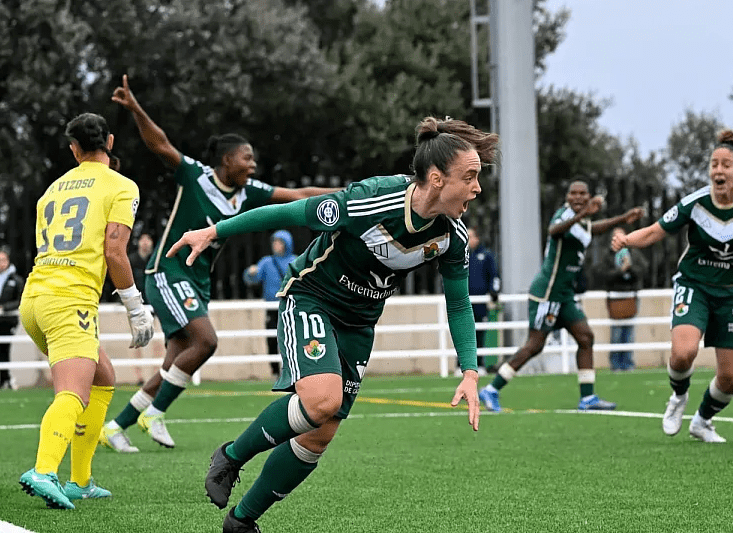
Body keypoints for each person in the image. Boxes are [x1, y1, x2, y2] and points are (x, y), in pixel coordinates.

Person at [167, 116, 493, 533]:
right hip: (311, 298)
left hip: (359, 325)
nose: (477, 188)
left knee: (320, 435)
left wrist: (468, 370)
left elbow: (459, 304)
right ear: (436, 178)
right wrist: (214, 231)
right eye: (470, 177)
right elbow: (289, 211)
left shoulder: (452, 237)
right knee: (321, 401)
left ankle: (242, 522)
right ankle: (231, 455)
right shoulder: (370, 200)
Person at [99, 75, 336, 453]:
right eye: (247, 157)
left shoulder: (247, 193)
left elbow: (301, 195)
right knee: (206, 341)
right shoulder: (195, 176)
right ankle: (155, 413)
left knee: (177, 359)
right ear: (227, 160)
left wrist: (353, 194)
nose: (253, 164)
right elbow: (160, 143)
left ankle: (116, 425)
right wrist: (135, 107)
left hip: (197, 282)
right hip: (168, 271)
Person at [612, 129, 733, 443]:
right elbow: (657, 230)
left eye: (726, 165)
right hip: (695, 286)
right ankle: (678, 397)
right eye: (714, 164)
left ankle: (702, 420)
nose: (718, 170)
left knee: (730, 379)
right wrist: (626, 240)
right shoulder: (696, 203)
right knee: (683, 353)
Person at [17, 112, 153, 509]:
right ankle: (44, 470)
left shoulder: (52, 189)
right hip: (69, 301)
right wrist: (135, 306)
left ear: (74, 149)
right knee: (73, 393)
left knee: (103, 376)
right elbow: (114, 250)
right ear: (109, 141)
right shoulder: (121, 185)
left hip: (35, 300)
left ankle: (80, 481)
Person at [478, 181, 644, 412]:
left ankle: (587, 398)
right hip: (547, 293)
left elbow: (595, 229)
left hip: (564, 294)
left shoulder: (582, 221)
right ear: (567, 197)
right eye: (573, 193)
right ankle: (491, 390)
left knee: (585, 338)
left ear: (588, 196)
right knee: (534, 346)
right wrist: (584, 213)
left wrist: (623, 218)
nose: (577, 197)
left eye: (582, 194)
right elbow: (554, 230)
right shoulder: (564, 215)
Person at [242, 230, 296, 377]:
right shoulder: (266, 262)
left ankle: (292, 368)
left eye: (279, 242)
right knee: (272, 339)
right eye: (274, 242)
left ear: (287, 244)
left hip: (291, 307)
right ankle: (275, 371)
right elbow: (251, 279)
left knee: (291, 339)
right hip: (271, 308)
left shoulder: (295, 261)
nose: (276, 245)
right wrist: (250, 272)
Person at [605, 228, 647, 372]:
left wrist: (630, 268)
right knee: (616, 334)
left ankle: (628, 363)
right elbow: (601, 274)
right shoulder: (608, 255)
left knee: (629, 332)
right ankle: (615, 365)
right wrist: (620, 271)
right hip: (615, 298)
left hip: (631, 297)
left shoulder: (634, 253)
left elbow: (643, 270)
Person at [0, 249, 25, 389]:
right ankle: (6, 378)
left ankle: (4, 381)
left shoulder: (16, 279)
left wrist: (6, 308)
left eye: (4, 260)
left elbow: (21, 299)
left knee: (5, 350)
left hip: (8, 321)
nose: (1, 263)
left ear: (8, 261)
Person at [128, 233, 163, 384]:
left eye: (148, 239)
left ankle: (157, 373)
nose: (145, 243)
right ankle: (139, 376)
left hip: (154, 303)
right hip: (137, 305)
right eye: (142, 239)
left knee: (157, 340)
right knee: (138, 340)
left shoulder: (156, 260)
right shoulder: (132, 260)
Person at [466, 226, 500, 372]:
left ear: (477, 238)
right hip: (464, 303)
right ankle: (461, 366)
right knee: (464, 334)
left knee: (480, 333)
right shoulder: (460, 256)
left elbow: (494, 276)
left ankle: (479, 365)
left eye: (470, 237)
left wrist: (494, 291)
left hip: (480, 304)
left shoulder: (486, 255)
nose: (467, 240)